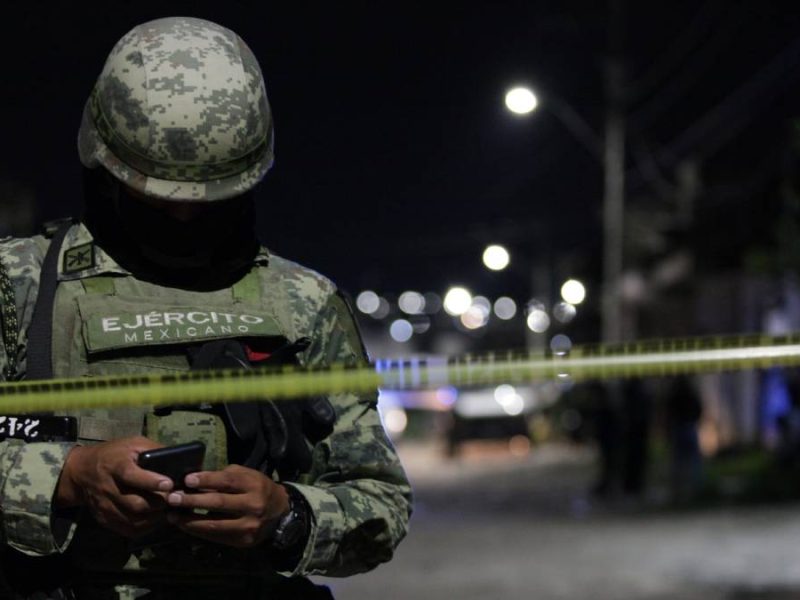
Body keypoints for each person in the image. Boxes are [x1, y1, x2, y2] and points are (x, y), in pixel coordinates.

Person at [0, 16, 412, 599]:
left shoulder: (304, 305)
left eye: (210, 199)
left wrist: (285, 517)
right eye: (158, 198)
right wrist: (67, 479)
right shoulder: (16, 286)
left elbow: (381, 502)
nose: (185, 218)